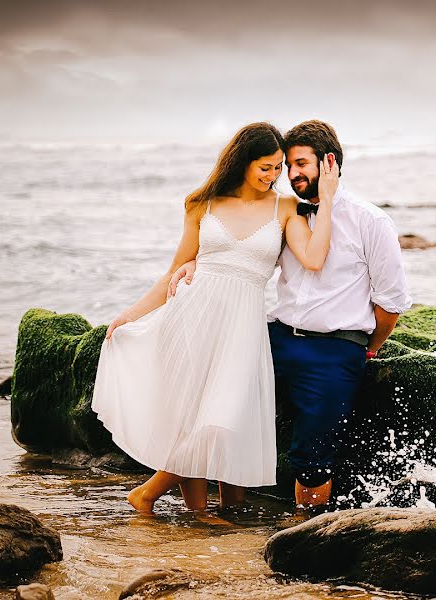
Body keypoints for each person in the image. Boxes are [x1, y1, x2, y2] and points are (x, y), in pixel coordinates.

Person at [92, 122, 339, 515]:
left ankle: (147, 493)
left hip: (243, 326)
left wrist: (326, 199)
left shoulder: (284, 208)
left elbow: (313, 257)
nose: (273, 176)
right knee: (192, 417)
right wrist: (131, 313)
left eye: (278, 168)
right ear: (242, 162)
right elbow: (177, 266)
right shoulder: (201, 204)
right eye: (265, 167)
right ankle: (200, 515)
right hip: (192, 314)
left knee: (220, 420)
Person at [169, 120, 411, 510]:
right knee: (215, 407)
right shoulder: (288, 212)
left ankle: (300, 537)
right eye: (287, 166)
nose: (291, 174)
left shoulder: (372, 221)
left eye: (301, 164)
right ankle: (217, 511)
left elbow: (391, 302)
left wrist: (369, 348)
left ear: (328, 163)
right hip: (275, 337)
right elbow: (239, 249)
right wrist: (196, 264)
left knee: (312, 461)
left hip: (334, 351)